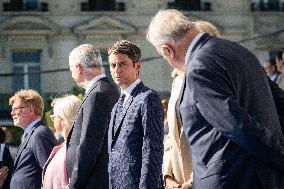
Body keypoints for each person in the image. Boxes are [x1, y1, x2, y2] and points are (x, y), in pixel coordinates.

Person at [147, 9, 284, 189]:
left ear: (168, 50)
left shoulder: (198, 68)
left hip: (231, 181)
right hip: (266, 178)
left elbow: (239, 127)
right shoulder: (240, 50)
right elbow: (279, 102)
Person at [163, 20, 221, 189]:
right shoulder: (177, 80)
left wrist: (194, 181)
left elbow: (218, 139)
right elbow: (171, 137)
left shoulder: (216, 80)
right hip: (178, 181)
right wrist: (167, 177)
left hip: (207, 181)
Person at [108, 40, 164, 189]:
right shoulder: (116, 105)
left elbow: (152, 151)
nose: (116, 70)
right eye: (113, 65)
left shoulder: (148, 98)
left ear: (137, 65)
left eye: (122, 64)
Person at [66, 44, 119, 189]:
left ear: (79, 68)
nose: (72, 74)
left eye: (71, 69)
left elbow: (89, 146)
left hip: (94, 182)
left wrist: (74, 185)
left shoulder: (98, 94)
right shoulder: (105, 89)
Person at [9, 89, 57, 189]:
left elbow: (49, 171)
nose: (12, 113)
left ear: (30, 109)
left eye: (15, 109)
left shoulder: (40, 133)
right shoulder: (31, 133)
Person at [42, 95, 82, 189]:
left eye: (54, 116)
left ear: (62, 119)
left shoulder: (78, 146)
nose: (52, 118)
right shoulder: (64, 146)